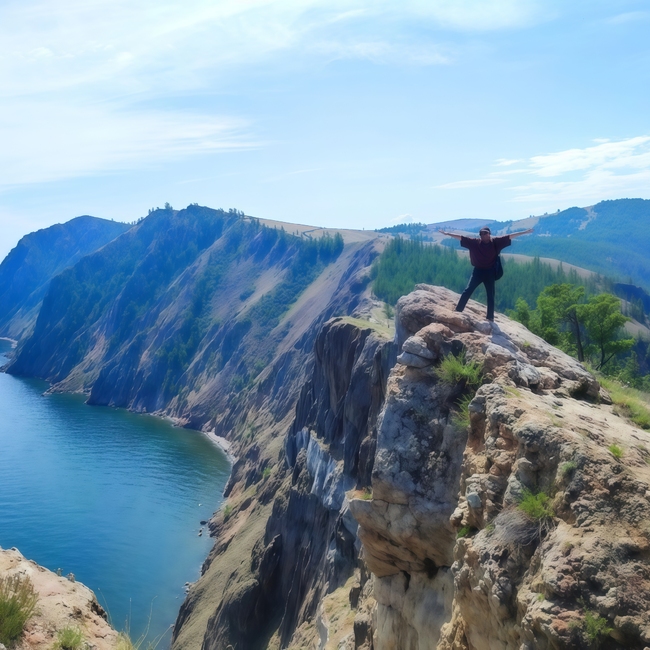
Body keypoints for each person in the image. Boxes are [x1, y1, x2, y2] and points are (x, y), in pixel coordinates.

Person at [437, 226, 534, 321]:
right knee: (468, 290)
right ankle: (458, 310)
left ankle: (490, 317)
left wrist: (525, 232)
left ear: (489, 234)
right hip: (477, 271)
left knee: (490, 295)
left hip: (490, 272)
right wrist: (447, 233)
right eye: (481, 234)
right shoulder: (475, 243)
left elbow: (510, 236)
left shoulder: (495, 242)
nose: (483, 235)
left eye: (485, 233)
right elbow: (461, 237)